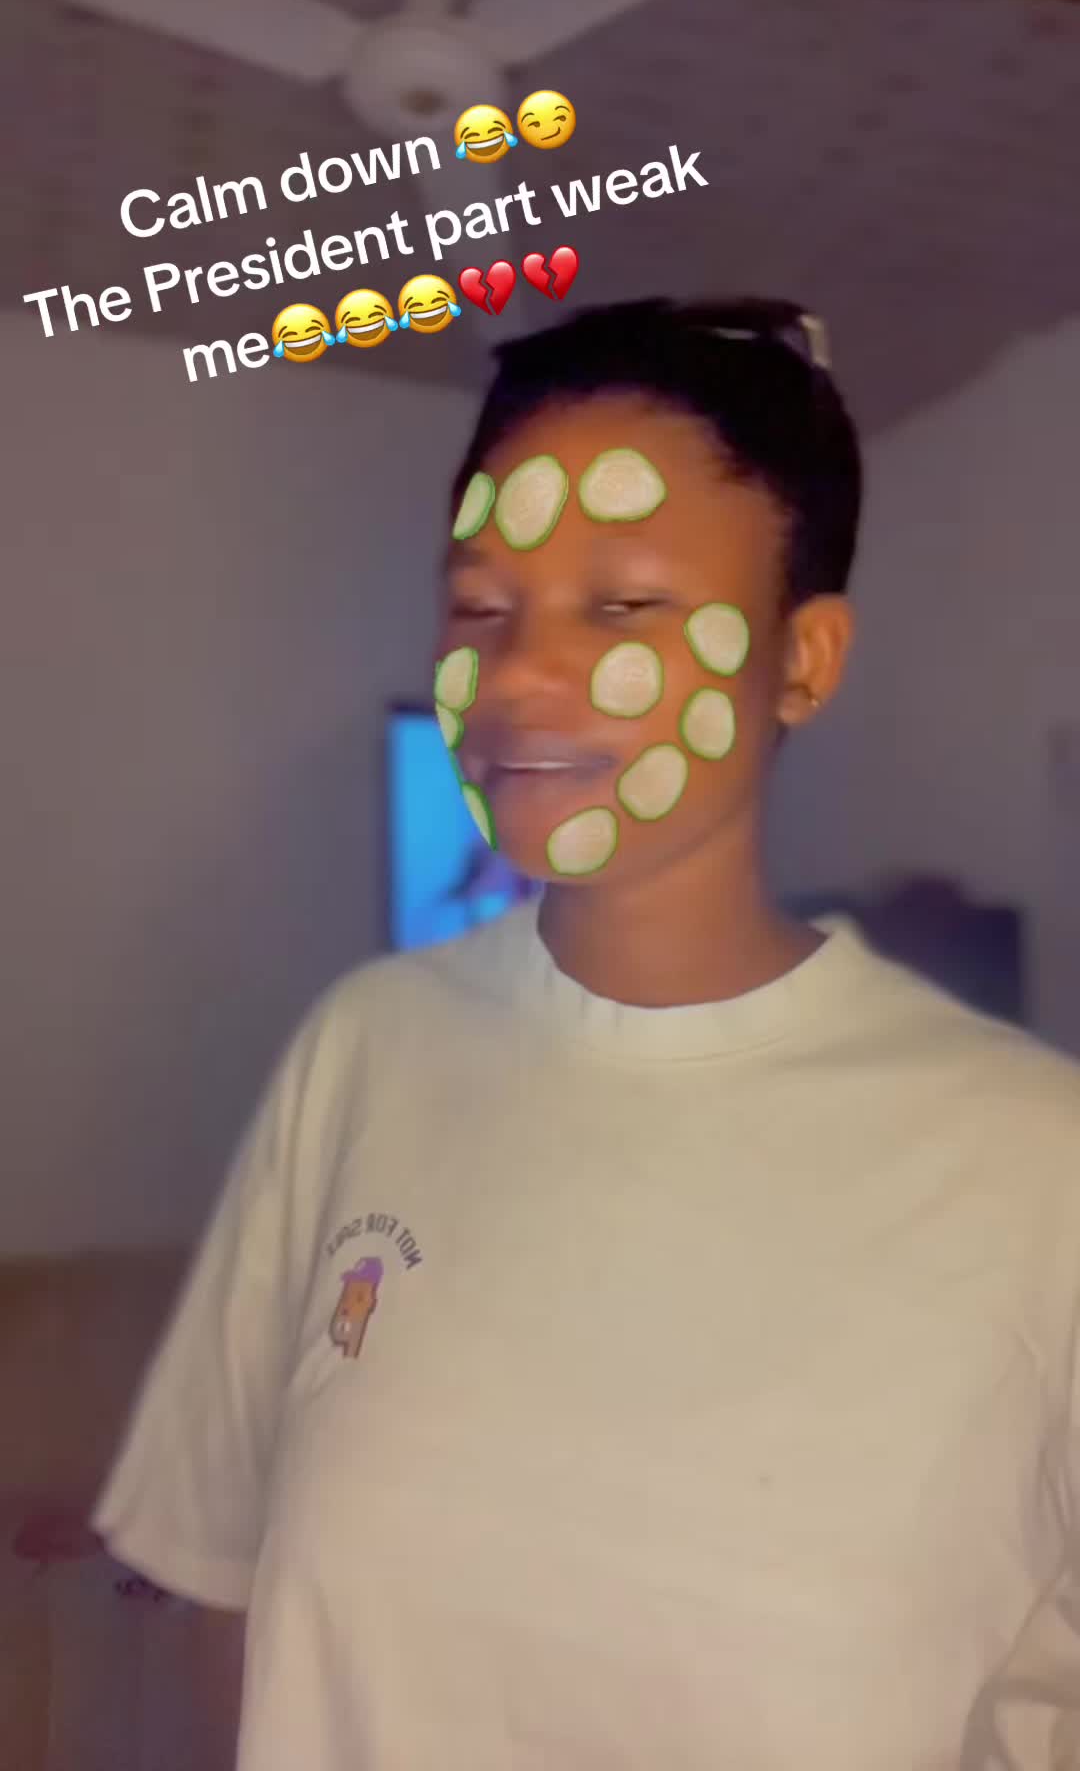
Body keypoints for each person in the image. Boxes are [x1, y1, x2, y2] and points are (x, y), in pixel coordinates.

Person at [92, 298, 1080, 1770]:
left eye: (623, 606)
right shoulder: (367, 1051)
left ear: (805, 661)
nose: (515, 680)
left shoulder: (1038, 1166)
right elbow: (221, 1587)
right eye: (480, 609)